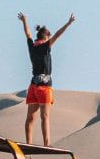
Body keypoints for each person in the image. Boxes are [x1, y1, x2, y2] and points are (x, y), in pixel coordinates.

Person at [17, 11, 75, 147]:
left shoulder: (32, 46)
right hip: (44, 86)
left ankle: (29, 143)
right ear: (46, 37)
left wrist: (24, 20)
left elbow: (28, 34)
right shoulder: (45, 46)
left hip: (33, 85)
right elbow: (57, 35)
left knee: (30, 117)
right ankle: (46, 144)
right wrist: (68, 23)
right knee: (45, 117)